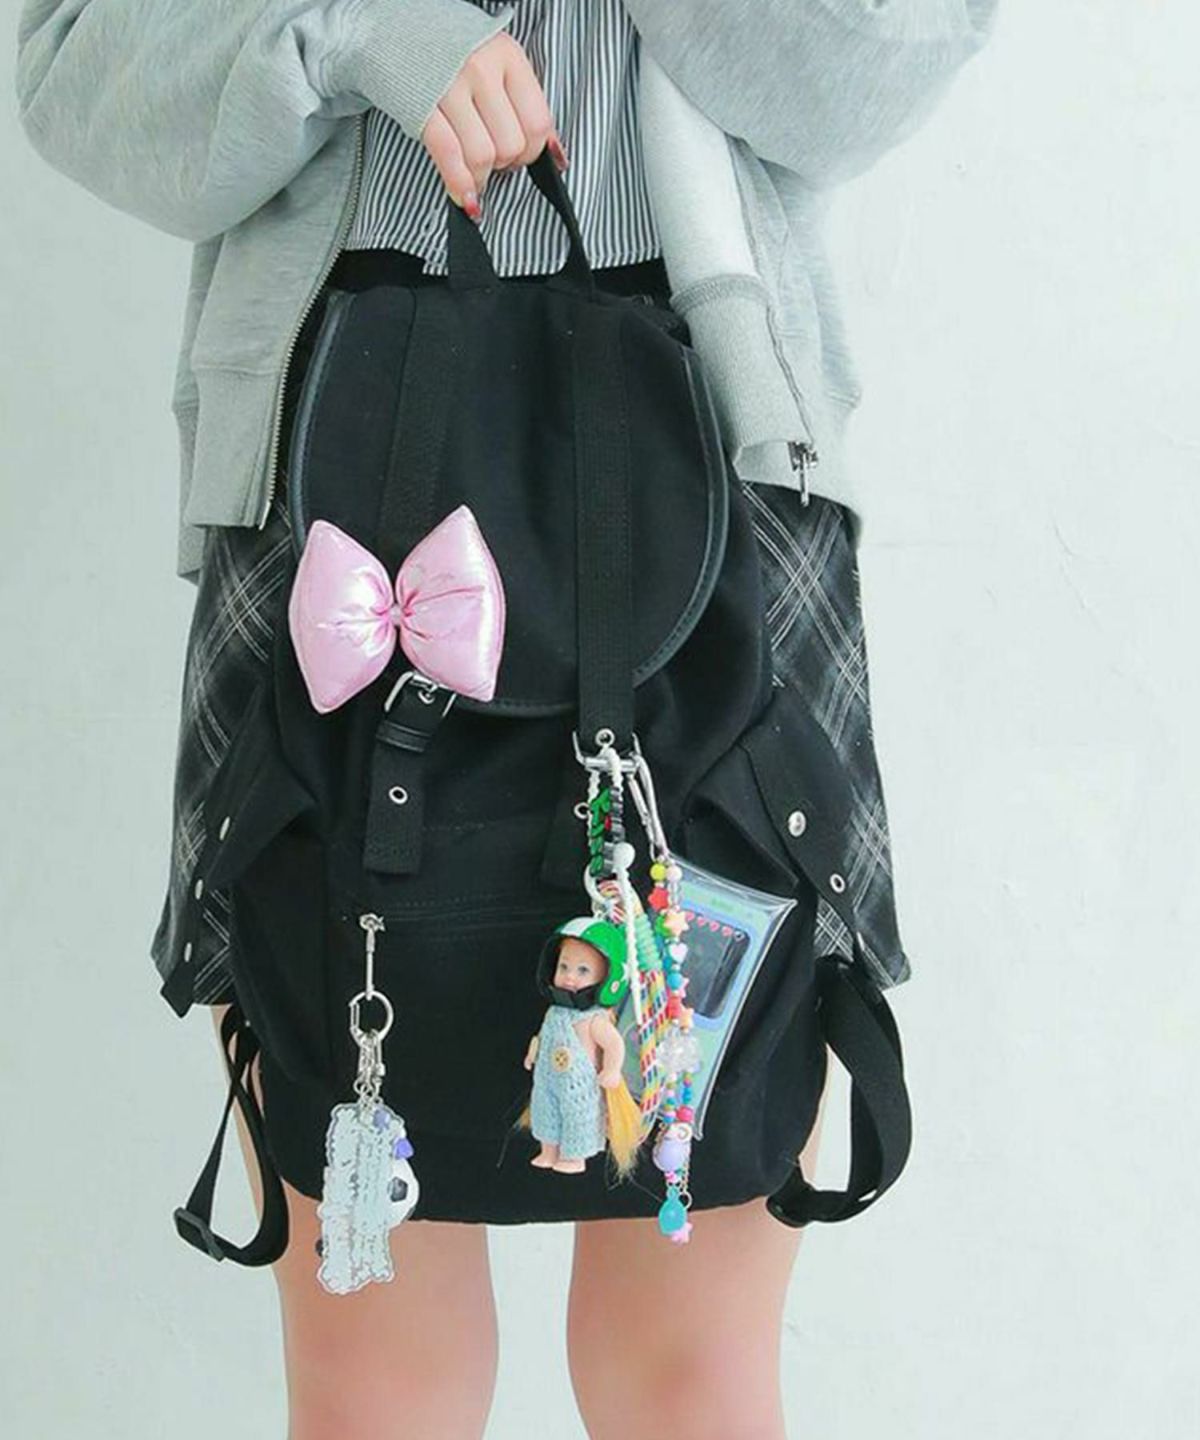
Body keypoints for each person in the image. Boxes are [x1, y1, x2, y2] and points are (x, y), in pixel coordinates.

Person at [14, 1, 994, 1434]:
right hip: (334, 478)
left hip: (721, 477)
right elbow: (72, 62)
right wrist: (359, 29)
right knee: (373, 1370)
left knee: (691, 1365)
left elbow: (881, 64)